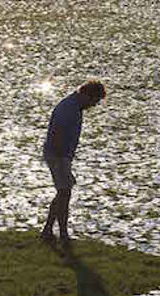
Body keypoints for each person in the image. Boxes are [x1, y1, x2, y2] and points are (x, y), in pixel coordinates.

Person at [40, 80, 106, 245]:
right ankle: (61, 233)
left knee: (64, 192)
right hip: (58, 154)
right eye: (94, 101)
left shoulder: (72, 106)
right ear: (86, 95)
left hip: (60, 154)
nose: (93, 106)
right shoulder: (69, 109)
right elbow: (58, 135)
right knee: (65, 192)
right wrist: (64, 160)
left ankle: (49, 230)